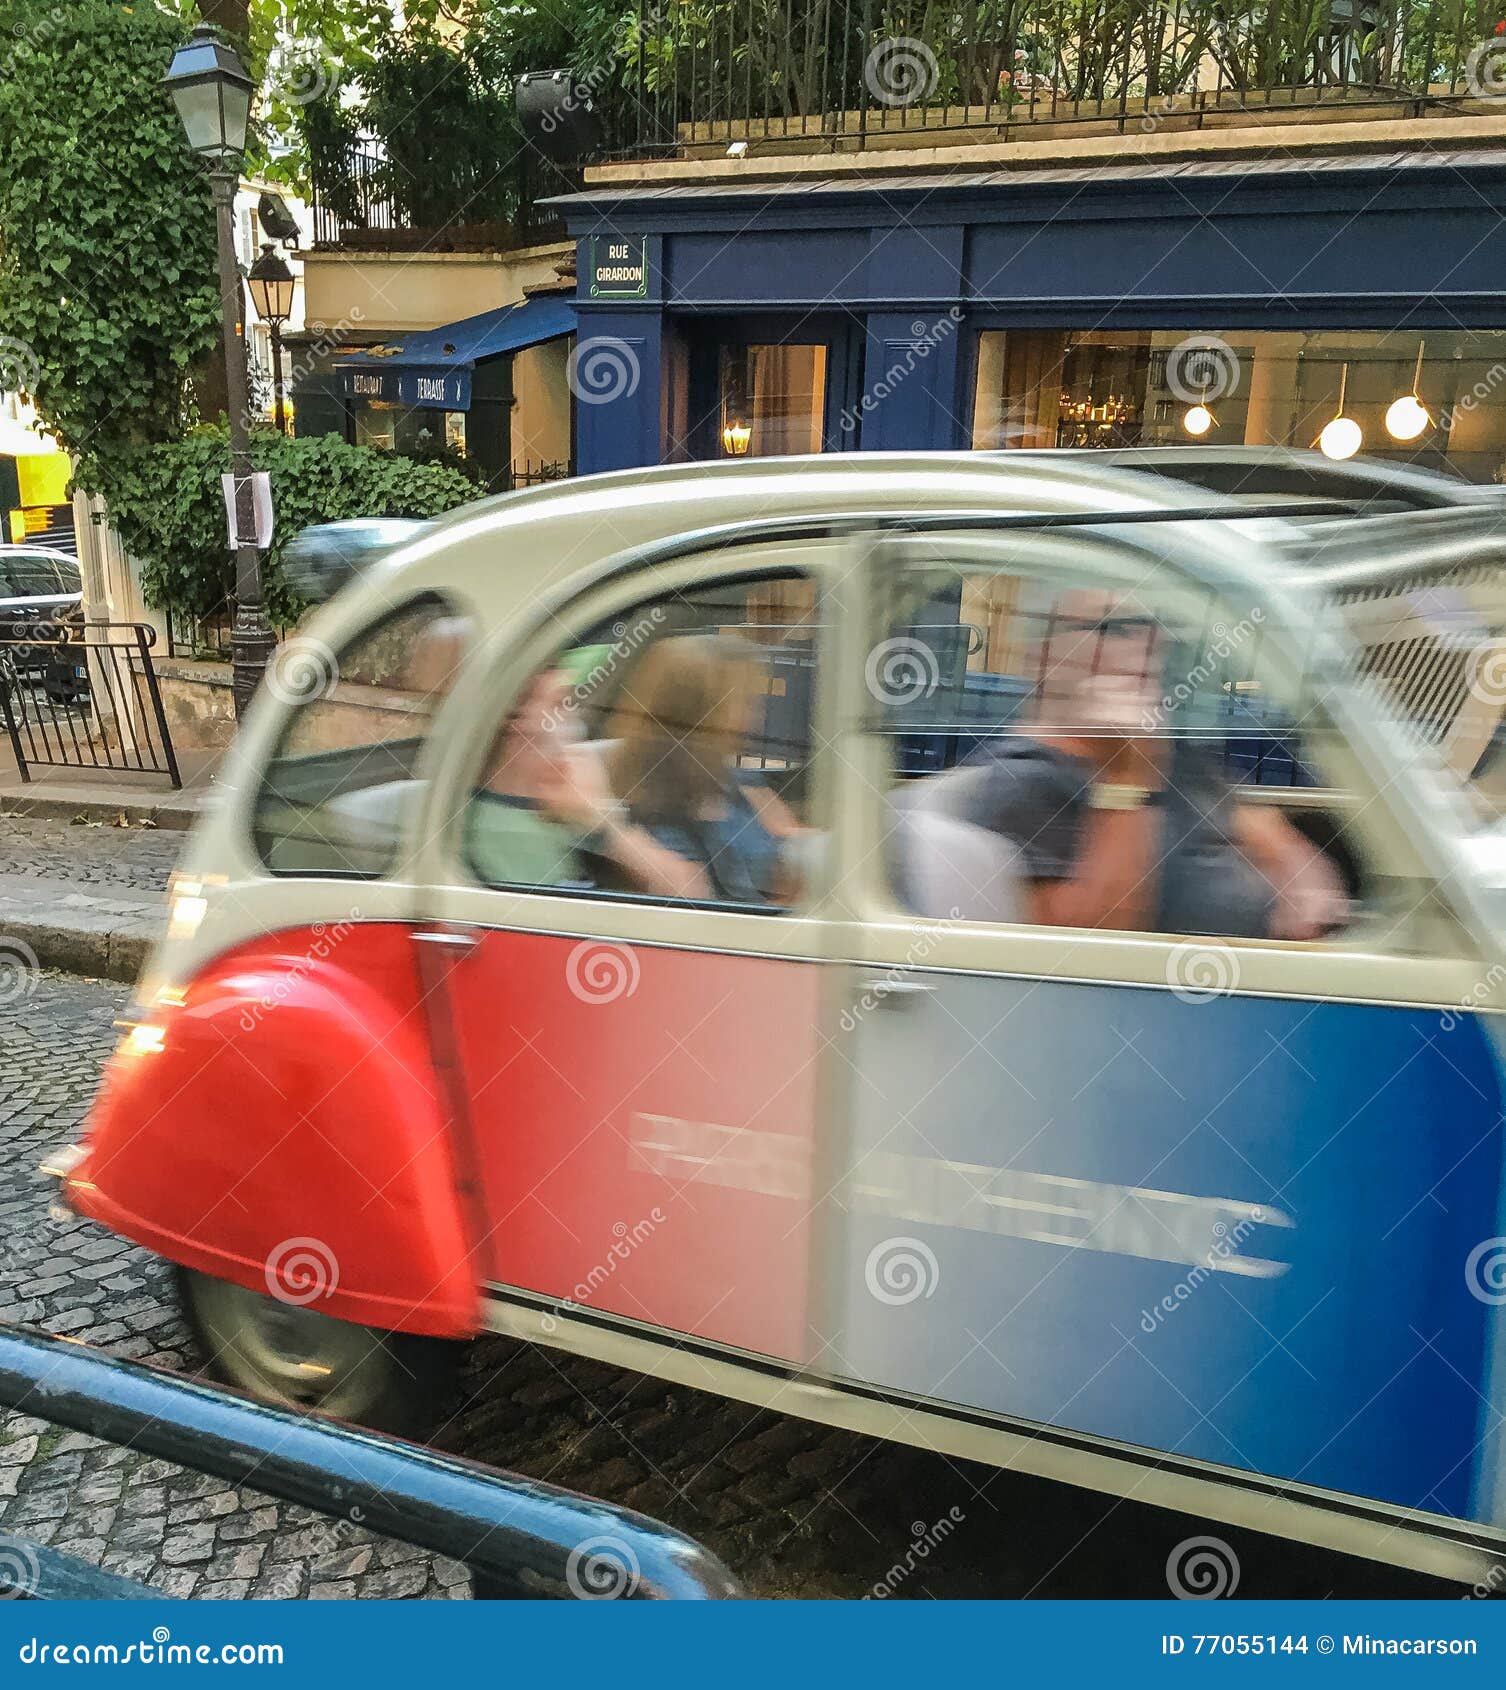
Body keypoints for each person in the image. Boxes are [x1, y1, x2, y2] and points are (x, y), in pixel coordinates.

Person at [951, 591, 1346, 939]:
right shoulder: (1024, 779)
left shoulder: (1170, 757)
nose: (1145, 644)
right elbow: (1081, 957)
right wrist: (1126, 778)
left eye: (1150, 629)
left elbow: (1253, 821)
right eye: (1113, 628)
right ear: (1045, 657)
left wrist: (1300, 875)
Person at [603, 635, 804, 905]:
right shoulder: (655, 813)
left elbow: (787, 841)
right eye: (745, 701)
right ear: (701, 714)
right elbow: (700, 905)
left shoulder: (733, 778)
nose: (756, 713)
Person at [466, 666, 700, 897]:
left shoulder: (568, 808)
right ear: (521, 724)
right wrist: (604, 826)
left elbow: (688, 892)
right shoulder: (499, 832)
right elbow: (689, 897)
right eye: (562, 704)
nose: (578, 724)